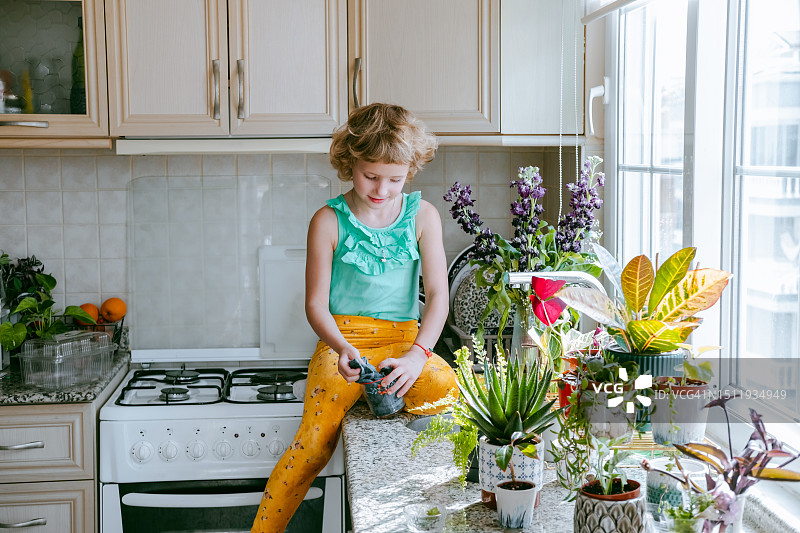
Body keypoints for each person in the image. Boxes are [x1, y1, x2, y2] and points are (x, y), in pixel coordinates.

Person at [251, 103, 459, 532]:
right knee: (312, 444)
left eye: (395, 179)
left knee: (450, 395)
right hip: (342, 343)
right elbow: (315, 305)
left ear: (410, 171)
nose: (382, 189)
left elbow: (439, 297)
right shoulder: (328, 220)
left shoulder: (423, 216)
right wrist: (343, 348)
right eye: (371, 176)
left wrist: (418, 356)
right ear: (350, 163)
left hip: (404, 342)